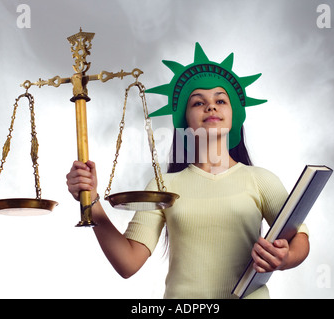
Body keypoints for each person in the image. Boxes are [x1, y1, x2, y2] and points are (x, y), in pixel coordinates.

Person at [66, 43, 309, 298]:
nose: (210, 107)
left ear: (234, 115)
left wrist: (286, 257)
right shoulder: (164, 187)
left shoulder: (261, 180)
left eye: (220, 100)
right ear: (185, 122)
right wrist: (91, 201)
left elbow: (299, 236)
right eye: (198, 103)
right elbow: (128, 263)